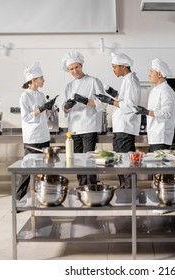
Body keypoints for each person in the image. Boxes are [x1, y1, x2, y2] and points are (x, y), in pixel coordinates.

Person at [95, 52, 141, 188]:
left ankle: (128, 192)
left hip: (125, 127)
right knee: (121, 162)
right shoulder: (127, 79)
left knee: (125, 163)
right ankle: (125, 189)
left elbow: (130, 106)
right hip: (121, 127)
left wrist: (109, 101)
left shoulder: (131, 81)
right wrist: (113, 93)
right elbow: (124, 99)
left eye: (114, 67)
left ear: (123, 66)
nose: (113, 70)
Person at [61, 51, 107, 186]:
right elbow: (64, 108)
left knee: (89, 160)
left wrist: (85, 100)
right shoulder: (69, 86)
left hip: (88, 126)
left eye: (76, 67)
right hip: (74, 128)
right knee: (76, 161)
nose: (74, 71)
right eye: (71, 69)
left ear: (81, 66)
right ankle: (82, 187)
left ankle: (91, 187)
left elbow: (102, 103)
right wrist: (67, 107)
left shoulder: (93, 81)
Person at [16, 62, 56, 200]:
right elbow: (26, 117)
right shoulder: (24, 96)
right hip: (32, 138)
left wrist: (48, 110)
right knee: (27, 171)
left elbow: (43, 116)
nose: (43, 80)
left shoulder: (41, 94)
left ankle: (45, 198)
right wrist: (41, 109)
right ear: (33, 80)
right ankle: (18, 199)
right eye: (41, 78)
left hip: (44, 136)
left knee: (46, 169)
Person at [134, 58, 175, 152]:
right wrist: (146, 111)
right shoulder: (155, 90)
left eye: (151, 71)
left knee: (159, 165)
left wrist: (146, 112)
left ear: (159, 74)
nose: (149, 74)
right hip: (154, 137)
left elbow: (166, 114)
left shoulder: (166, 91)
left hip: (161, 138)